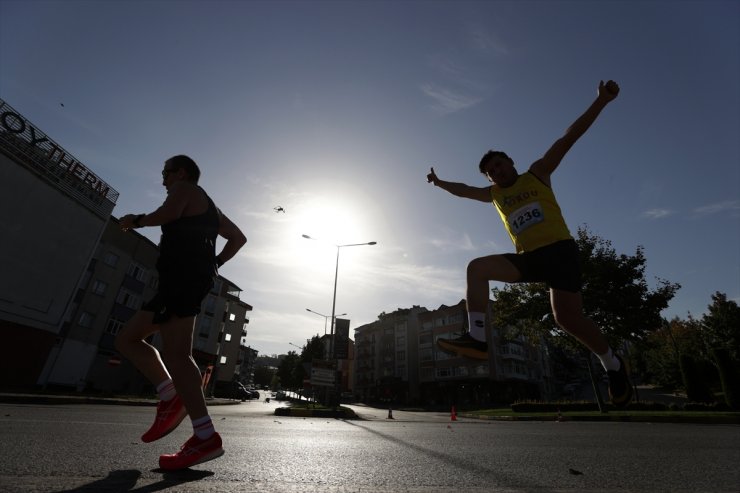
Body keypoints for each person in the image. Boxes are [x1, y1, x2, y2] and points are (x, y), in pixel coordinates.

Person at [426, 80, 633, 407]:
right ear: (491, 179)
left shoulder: (537, 173)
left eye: (499, 164)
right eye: (491, 171)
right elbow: (464, 190)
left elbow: (569, 138)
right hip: (531, 258)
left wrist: (600, 101)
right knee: (477, 268)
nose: (496, 171)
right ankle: (477, 339)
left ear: (511, 162)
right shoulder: (494, 195)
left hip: (561, 252)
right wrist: (439, 183)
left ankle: (613, 364)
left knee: (566, 319)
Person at [116, 155, 247, 469]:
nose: (163, 180)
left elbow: (168, 213)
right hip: (185, 279)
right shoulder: (211, 208)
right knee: (130, 339)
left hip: (183, 278)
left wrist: (134, 220)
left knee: (175, 354)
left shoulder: (184, 189)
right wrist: (215, 263)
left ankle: (197, 428)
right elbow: (238, 238)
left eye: (166, 173)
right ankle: (176, 402)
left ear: (182, 173)